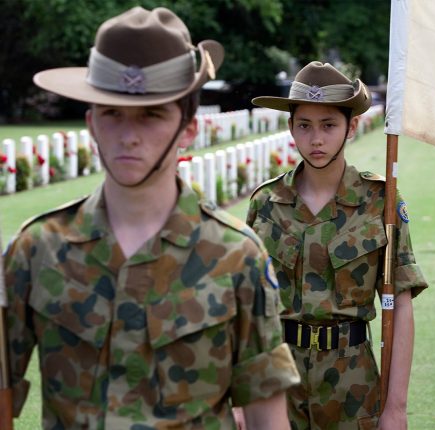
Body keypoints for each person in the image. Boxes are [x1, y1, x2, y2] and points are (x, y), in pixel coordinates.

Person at [2, 7, 299, 429]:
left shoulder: (236, 255)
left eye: (152, 114)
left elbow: (266, 415)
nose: (129, 135)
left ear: (189, 128)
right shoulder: (37, 249)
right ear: (91, 122)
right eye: (112, 113)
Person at [246, 62, 428, 430]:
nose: (316, 139)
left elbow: (401, 305)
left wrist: (396, 408)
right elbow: (247, 308)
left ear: (351, 126)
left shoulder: (381, 202)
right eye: (305, 126)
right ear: (290, 128)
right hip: (279, 385)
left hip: (353, 386)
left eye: (329, 125)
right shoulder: (265, 203)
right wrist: (241, 399)